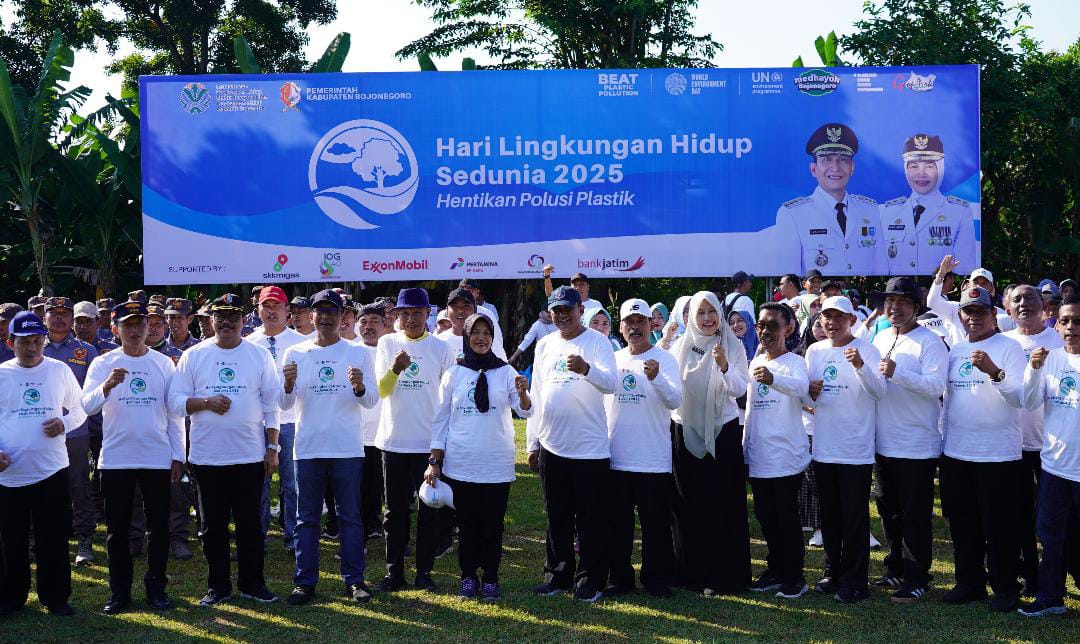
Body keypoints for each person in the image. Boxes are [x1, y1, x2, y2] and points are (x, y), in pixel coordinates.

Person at [169, 293, 281, 607]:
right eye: (221, 316)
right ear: (211, 321)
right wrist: (205, 403)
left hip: (249, 457)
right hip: (207, 458)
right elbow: (175, 402)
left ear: (245, 320)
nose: (227, 322)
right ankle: (218, 587)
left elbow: (272, 405)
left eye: (234, 316)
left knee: (250, 526)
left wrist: (272, 447)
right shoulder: (195, 355)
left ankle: (252, 584)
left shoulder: (258, 355)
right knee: (212, 527)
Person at [81, 301, 184, 614]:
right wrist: (108, 385)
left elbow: (174, 414)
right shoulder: (103, 363)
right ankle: (119, 592)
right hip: (116, 458)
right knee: (117, 531)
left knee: (159, 528)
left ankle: (156, 588)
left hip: (156, 456)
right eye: (128, 324)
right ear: (115, 329)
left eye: (141, 323)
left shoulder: (164, 363)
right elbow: (86, 406)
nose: (137, 329)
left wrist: (179, 455)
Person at [280, 289, 379, 605]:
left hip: (347, 448)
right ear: (311, 316)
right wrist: (287, 385)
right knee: (306, 519)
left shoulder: (359, 353)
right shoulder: (295, 353)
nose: (325, 317)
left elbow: (372, 400)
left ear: (343, 317)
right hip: (308, 449)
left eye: (332, 312)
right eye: (319, 312)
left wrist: (360, 386)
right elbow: (284, 403)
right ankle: (304, 583)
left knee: (350, 517)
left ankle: (354, 581)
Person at [425, 314, 532, 601]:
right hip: (461, 463)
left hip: (496, 464)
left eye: (487, 333)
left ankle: (492, 579)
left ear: (493, 337)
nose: (481, 338)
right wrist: (435, 460)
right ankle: (468, 577)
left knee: (493, 527)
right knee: (468, 526)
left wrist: (523, 394)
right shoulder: (454, 373)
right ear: (467, 336)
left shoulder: (506, 372)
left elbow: (524, 412)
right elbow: (441, 419)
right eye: (476, 333)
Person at [526, 285, 617, 602]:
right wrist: (532, 443)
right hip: (552, 444)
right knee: (557, 516)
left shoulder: (597, 341)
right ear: (550, 314)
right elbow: (537, 395)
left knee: (591, 519)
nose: (562, 315)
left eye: (568, 309)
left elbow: (611, 383)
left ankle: (590, 580)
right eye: (556, 310)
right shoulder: (545, 345)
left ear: (581, 309)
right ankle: (558, 575)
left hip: (589, 448)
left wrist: (587, 369)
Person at [940, 285, 1026, 611]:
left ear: (993, 314)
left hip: (997, 453)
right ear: (961, 315)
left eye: (980, 311)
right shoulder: (956, 350)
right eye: (968, 311)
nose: (973, 317)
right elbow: (948, 401)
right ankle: (969, 583)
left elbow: (1020, 398)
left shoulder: (1010, 348)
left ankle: (1005, 587)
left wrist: (994, 371)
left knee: (1000, 525)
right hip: (958, 451)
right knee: (963, 523)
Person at [0, 310, 87, 616]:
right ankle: (11, 597)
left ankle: (56, 596)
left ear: (45, 341)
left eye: (38, 340)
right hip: (10, 473)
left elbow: (80, 409)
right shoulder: (2, 374)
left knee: (53, 537)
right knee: (12, 539)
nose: (32, 347)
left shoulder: (59, 371)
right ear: (11, 343)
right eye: (25, 341)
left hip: (51, 469)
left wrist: (64, 422)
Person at [373, 288, 456, 592]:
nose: (411, 319)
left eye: (417, 313)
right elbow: (381, 391)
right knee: (394, 512)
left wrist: (441, 446)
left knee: (428, 510)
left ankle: (424, 572)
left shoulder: (441, 347)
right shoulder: (387, 343)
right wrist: (395, 369)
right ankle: (394, 572)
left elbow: (448, 399)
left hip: (427, 443)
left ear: (427, 314)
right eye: (404, 313)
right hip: (394, 441)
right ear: (396, 314)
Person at [871, 276, 949, 603]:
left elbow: (935, 386)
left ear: (916, 306)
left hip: (916, 445)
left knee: (915, 514)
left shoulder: (929, 342)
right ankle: (895, 566)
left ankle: (918, 577)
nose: (895, 307)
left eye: (902, 301)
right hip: (882, 442)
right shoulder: (880, 336)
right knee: (888, 511)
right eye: (890, 301)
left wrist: (897, 373)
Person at [804, 296, 886, 603]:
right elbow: (808, 399)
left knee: (854, 518)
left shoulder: (868, 349)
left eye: (839, 317)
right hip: (824, 446)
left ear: (851, 320)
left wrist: (860, 366)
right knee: (830, 517)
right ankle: (832, 572)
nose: (832, 323)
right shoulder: (814, 351)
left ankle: (855, 581)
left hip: (855, 448)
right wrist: (809, 393)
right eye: (827, 317)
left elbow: (880, 391)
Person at [669, 291, 751, 596]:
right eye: (700, 312)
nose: (707, 318)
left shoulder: (733, 344)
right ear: (691, 316)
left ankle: (726, 575)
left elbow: (741, 389)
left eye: (712, 312)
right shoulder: (679, 347)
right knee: (687, 503)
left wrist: (725, 365)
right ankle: (690, 573)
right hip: (685, 430)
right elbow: (672, 392)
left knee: (722, 504)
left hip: (723, 431)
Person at [605, 299, 682, 598]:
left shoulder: (666, 359)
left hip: (652, 457)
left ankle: (656, 578)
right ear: (621, 326)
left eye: (640, 321)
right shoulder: (612, 358)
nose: (635, 327)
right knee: (618, 525)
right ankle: (620, 578)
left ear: (652, 324)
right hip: (617, 456)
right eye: (629, 322)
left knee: (655, 525)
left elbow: (675, 401)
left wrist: (657, 378)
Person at [744, 302, 811, 599]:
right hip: (759, 456)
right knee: (766, 517)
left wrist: (774, 379)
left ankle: (795, 577)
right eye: (761, 325)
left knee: (786, 518)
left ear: (789, 328)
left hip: (786, 457)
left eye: (773, 325)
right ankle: (775, 569)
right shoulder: (754, 361)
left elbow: (801, 388)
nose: (766, 331)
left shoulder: (795, 362)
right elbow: (749, 411)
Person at [1019, 297, 1080, 616]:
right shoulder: (1050, 359)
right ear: (1056, 324)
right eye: (1066, 321)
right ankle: (1050, 598)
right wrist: (1033, 369)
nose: (1071, 328)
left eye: (1078, 321)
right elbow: (1028, 403)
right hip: (1055, 466)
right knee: (1050, 535)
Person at [1004, 284, 1065, 595]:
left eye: (1030, 298)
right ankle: (1029, 573)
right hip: (1012, 445)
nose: (1023, 304)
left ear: (1046, 307)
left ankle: (1055, 574)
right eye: (1017, 299)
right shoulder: (1004, 343)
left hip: (1051, 447)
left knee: (1053, 520)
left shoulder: (1059, 341)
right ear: (1007, 308)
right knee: (1019, 515)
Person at [774, 123, 885, 275]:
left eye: (843, 160)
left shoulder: (870, 210)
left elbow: (881, 267)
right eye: (827, 159)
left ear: (852, 167)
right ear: (813, 169)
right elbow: (789, 276)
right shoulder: (793, 214)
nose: (835, 167)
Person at [246, 286, 308, 552]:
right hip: (256, 423)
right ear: (258, 310)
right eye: (266, 306)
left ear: (287, 311)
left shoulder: (301, 343)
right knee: (256, 483)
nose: (271, 311)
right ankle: (257, 535)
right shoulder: (248, 342)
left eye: (277, 306)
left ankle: (294, 536)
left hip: (291, 420)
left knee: (292, 482)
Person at [42, 296, 99, 566]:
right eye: (53, 313)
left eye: (65, 313)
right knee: (42, 485)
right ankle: (42, 539)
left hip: (75, 432)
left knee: (79, 485)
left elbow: (94, 393)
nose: (60, 318)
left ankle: (85, 539)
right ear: (45, 318)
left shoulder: (85, 351)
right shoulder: (32, 347)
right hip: (39, 433)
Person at [880, 134, 977, 275]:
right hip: (900, 292)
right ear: (906, 170)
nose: (921, 174)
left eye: (929, 166)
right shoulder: (889, 212)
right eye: (914, 166)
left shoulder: (959, 212)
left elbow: (965, 268)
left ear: (940, 168)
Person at [928, 256, 1016, 347]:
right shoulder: (955, 308)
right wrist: (941, 274)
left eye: (984, 283)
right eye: (975, 282)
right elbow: (932, 303)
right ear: (968, 285)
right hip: (959, 358)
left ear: (992, 288)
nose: (979, 286)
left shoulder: (999, 314)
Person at [357, 303, 389, 541]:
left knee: (383, 485)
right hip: (356, 432)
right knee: (359, 485)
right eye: (364, 322)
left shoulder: (392, 350)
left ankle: (381, 527)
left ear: (385, 324)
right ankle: (363, 526)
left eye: (374, 321)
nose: (368, 327)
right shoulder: (350, 351)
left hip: (385, 430)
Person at [438, 288, 507, 360]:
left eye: (466, 306)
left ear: (475, 311)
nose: (460, 310)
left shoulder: (488, 342)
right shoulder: (439, 341)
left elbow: (503, 369)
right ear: (447, 311)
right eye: (454, 306)